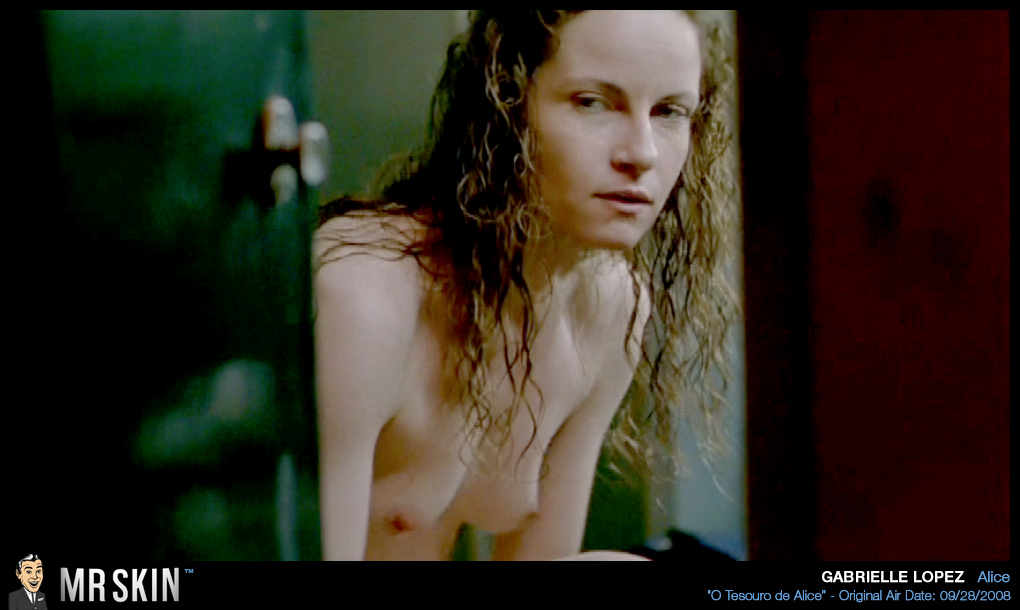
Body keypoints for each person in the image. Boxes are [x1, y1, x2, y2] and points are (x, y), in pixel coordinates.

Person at [313, 10, 738, 560]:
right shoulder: (363, 294)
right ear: (505, 105)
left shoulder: (610, 306)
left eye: (669, 112)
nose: (642, 154)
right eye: (592, 102)